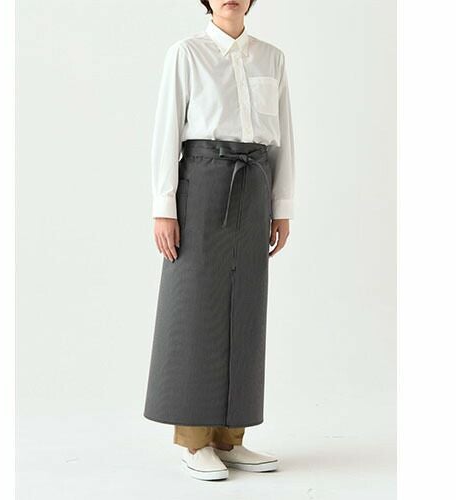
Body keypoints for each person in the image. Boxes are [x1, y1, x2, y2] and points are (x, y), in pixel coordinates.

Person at [143, 0, 295, 481]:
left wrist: (281, 205)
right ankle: (194, 441)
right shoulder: (186, 53)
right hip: (203, 181)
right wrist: (164, 206)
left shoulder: (271, 57)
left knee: (245, 307)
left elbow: (283, 137)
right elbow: (167, 128)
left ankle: (232, 438)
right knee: (196, 307)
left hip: (254, 180)